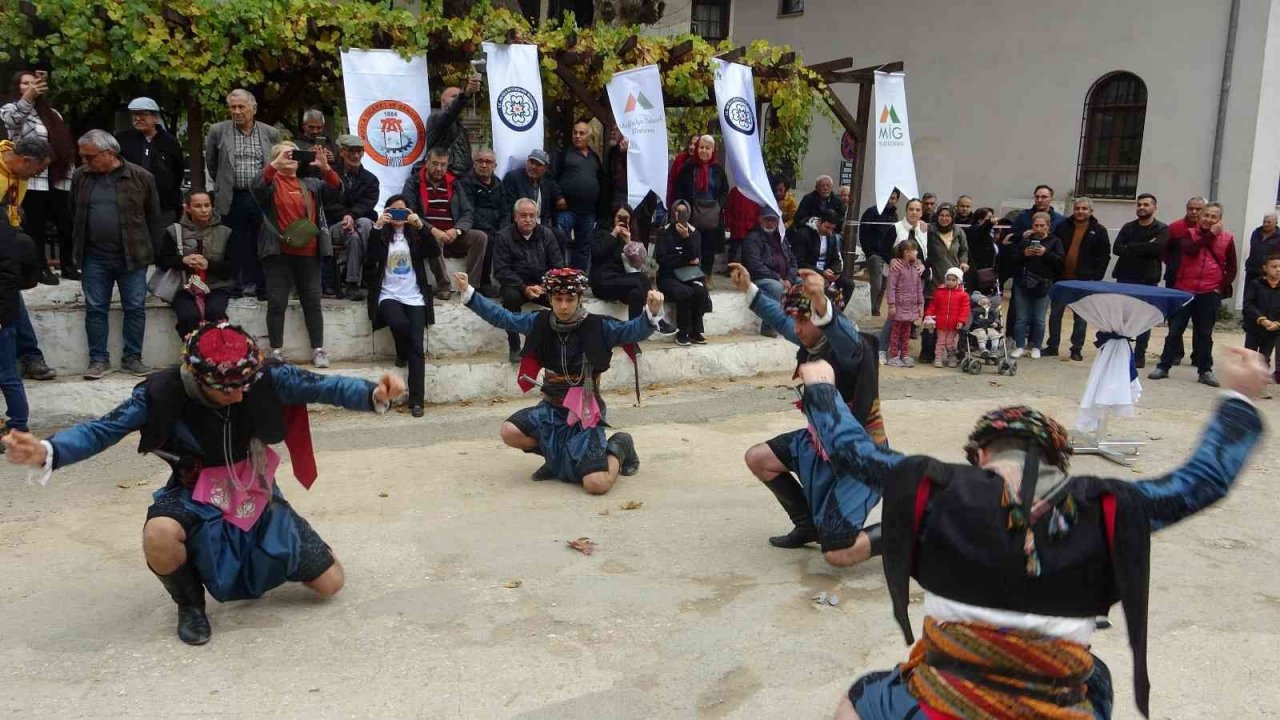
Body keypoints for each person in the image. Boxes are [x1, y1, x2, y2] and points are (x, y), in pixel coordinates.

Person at [809, 346, 1269, 720]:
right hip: (1056, 703)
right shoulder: (1108, 505)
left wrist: (823, 388)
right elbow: (1203, 481)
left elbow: (852, 452)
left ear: (980, 456)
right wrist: (1239, 397)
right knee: (1098, 677)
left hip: (946, 696)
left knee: (859, 700)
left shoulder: (937, 490)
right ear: (1055, 462)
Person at [3, 323, 408, 646]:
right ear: (198, 377)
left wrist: (373, 391)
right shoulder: (160, 393)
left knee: (331, 584)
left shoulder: (258, 376)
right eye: (226, 388)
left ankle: (267, 556)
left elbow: (322, 386)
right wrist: (48, 449)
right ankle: (190, 603)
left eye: (244, 386)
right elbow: (102, 430)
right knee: (159, 535)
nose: (238, 394)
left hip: (255, 490)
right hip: (194, 493)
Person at [728, 264, 887, 568]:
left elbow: (843, 335)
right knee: (758, 458)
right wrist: (749, 288)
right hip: (820, 445)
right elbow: (781, 319)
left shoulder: (850, 346)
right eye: (795, 320)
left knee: (837, 552)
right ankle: (807, 526)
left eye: (804, 320)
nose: (796, 328)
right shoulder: (810, 338)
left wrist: (821, 303)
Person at [454, 267, 662, 495]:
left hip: (585, 413)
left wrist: (650, 313)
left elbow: (632, 331)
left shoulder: (600, 327)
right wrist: (469, 293)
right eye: (558, 299)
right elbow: (503, 318)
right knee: (510, 431)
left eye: (570, 299)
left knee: (597, 484)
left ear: (580, 299)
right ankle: (555, 461)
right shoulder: (538, 322)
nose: (563, 306)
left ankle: (619, 445)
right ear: (550, 298)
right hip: (551, 409)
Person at [72, 130, 163, 380]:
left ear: (109, 153)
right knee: (95, 308)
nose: (85, 162)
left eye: (89, 157)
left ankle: (132, 358)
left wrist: (155, 254)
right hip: (94, 256)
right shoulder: (81, 177)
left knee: (134, 307)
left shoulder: (140, 177)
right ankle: (98, 359)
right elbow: (74, 214)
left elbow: (154, 217)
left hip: (132, 255)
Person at [252, 141, 340, 368]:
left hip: (309, 252)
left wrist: (325, 168)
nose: (291, 157)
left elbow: (337, 190)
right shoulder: (271, 182)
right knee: (277, 301)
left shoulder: (310, 183)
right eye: (286, 154)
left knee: (312, 301)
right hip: (277, 252)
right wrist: (274, 165)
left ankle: (318, 349)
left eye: (294, 154)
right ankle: (276, 350)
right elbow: (256, 187)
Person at [1150, 202, 1236, 387]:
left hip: (1210, 292)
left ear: (1219, 219)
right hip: (1185, 289)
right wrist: (1211, 235)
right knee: (1175, 331)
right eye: (1206, 215)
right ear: (1200, 216)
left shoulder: (1228, 239)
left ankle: (1205, 370)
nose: (1209, 219)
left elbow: (1232, 266)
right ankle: (1163, 366)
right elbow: (1190, 251)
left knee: (1204, 333)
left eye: (1214, 216)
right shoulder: (1189, 234)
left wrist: (1220, 286)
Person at [204, 89, 280, 299]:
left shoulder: (270, 133)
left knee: (262, 240)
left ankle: (262, 286)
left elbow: (275, 163)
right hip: (232, 195)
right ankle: (234, 286)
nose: (236, 111)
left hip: (260, 196)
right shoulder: (218, 131)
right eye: (232, 107)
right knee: (234, 242)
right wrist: (225, 183)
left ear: (253, 109)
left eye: (241, 107)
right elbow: (212, 163)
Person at [2, 70, 76, 283]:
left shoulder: (52, 113)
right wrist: (29, 97)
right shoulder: (11, 109)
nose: (29, 87)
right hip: (34, 177)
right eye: (24, 84)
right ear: (17, 87)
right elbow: (13, 120)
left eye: (33, 83)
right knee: (37, 225)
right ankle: (41, 268)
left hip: (58, 175)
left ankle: (68, 265)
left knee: (65, 222)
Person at [366, 195, 435, 418]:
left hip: (414, 296)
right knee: (398, 323)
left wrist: (421, 226)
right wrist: (377, 228)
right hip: (388, 294)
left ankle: (417, 402)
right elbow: (369, 259)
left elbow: (434, 251)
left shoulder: (414, 235)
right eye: (393, 211)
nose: (398, 215)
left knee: (417, 347)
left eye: (402, 211)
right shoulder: (383, 235)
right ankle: (401, 352)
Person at [0, 136, 58, 381]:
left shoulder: (19, 176)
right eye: (39, 169)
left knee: (12, 298)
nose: (38, 174)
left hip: (6, 242)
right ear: (25, 160)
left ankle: (29, 356)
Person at [402, 146, 488, 301]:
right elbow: (410, 212)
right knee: (434, 238)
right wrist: (433, 230)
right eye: (435, 164)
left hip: (453, 233)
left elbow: (468, 212)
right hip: (426, 234)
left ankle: (470, 286)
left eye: (443, 165)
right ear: (426, 163)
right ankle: (444, 285)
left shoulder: (454, 183)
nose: (439, 169)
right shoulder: (413, 182)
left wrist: (457, 230)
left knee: (480, 237)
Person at [492, 198, 565, 363]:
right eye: (523, 215)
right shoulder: (504, 237)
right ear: (515, 217)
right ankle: (515, 346)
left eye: (532, 215)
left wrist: (545, 286)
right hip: (517, 285)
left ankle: (563, 344)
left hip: (543, 285)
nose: (528, 220)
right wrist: (524, 288)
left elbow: (557, 266)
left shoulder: (547, 234)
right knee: (510, 299)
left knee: (568, 299)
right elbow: (501, 270)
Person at [154, 190, 232, 339]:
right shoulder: (173, 231)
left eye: (207, 205)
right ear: (187, 208)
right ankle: (193, 355)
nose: (203, 210)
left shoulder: (225, 232)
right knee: (188, 317)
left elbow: (233, 267)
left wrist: (209, 265)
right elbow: (162, 261)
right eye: (198, 206)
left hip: (216, 286)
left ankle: (214, 355)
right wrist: (183, 261)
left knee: (215, 314)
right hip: (183, 287)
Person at [0, 169, 42, 440]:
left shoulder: (8, 234)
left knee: (6, 374)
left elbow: (10, 277)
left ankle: (18, 424)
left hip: (3, 314)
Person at [1046, 197, 1111, 361]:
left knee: (1080, 317)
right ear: (1073, 210)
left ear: (1091, 211)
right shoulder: (1062, 227)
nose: (1080, 211)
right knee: (1055, 315)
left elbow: (1104, 257)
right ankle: (1053, 346)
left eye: (1084, 209)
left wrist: (1096, 279)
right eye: (1077, 208)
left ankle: (1076, 349)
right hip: (1061, 279)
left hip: (1083, 281)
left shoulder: (1099, 230)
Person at [1111, 193, 1168, 367]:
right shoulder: (1128, 227)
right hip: (1125, 277)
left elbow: (1158, 248)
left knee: (1144, 319)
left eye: (1146, 205)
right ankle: (1121, 352)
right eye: (1139, 204)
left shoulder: (1162, 229)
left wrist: (1131, 246)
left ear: (1154, 208)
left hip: (1147, 279)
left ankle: (1139, 355)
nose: (1142, 207)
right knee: (1123, 318)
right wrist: (1146, 246)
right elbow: (1117, 249)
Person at [321, 134, 379, 300]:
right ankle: (368, 272)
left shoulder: (371, 180)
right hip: (335, 224)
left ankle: (352, 282)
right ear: (342, 152)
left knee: (361, 230)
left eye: (359, 152)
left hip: (359, 223)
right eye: (351, 151)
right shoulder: (329, 174)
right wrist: (346, 216)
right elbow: (329, 203)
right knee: (363, 225)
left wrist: (352, 215)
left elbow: (368, 204)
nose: (355, 156)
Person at [116, 97, 186, 227]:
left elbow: (178, 171)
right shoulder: (123, 141)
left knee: (162, 244)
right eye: (135, 115)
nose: (138, 119)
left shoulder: (169, 142)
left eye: (143, 115)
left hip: (163, 207)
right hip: (130, 207)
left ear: (155, 118)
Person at [589, 204, 659, 324]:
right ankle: (657, 317)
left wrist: (629, 243)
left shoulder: (630, 235)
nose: (621, 220)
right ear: (613, 217)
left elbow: (638, 264)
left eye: (625, 218)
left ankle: (632, 336)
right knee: (640, 279)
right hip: (602, 280)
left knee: (636, 294)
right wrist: (614, 234)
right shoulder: (600, 232)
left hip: (621, 280)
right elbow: (597, 253)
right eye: (619, 217)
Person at [1009, 212, 1064, 359]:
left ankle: (1036, 347)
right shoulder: (1025, 241)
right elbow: (1012, 259)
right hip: (1023, 283)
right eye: (1036, 225)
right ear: (1032, 226)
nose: (1039, 229)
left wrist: (1045, 253)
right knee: (1021, 318)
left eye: (1042, 225)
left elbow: (1060, 262)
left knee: (1039, 318)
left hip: (1044, 285)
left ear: (1048, 226)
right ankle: (1020, 346)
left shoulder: (1055, 241)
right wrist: (1024, 254)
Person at [552, 121, 606, 271]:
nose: (577, 136)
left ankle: (577, 278)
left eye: (581, 133)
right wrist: (558, 196)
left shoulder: (594, 157)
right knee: (559, 241)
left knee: (583, 246)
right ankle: (559, 274)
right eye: (575, 132)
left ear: (589, 136)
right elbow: (551, 178)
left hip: (588, 211)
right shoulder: (564, 154)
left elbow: (601, 181)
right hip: (566, 209)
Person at [655, 200, 710, 346]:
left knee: (699, 290)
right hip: (668, 276)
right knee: (684, 292)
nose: (680, 214)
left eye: (683, 211)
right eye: (677, 211)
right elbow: (663, 260)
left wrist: (686, 239)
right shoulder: (664, 232)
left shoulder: (694, 233)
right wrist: (684, 259)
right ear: (673, 213)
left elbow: (695, 258)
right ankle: (682, 332)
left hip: (688, 274)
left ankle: (695, 331)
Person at [458, 147, 510, 296]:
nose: (484, 165)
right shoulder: (466, 183)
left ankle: (511, 282)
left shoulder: (498, 183)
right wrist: (493, 230)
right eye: (480, 161)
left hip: (497, 227)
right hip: (476, 227)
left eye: (488, 162)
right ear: (474, 163)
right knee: (489, 239)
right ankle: (484, 282)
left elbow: (505, 210)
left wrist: (504, 228)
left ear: (495, 166)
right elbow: (469, 211)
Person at [673, 135, 728, 274]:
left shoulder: (718, 170)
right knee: (692, 244)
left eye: (708, 148)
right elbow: (679, 189)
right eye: (701, 147)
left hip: (711, 215)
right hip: (692, 213)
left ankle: (707, 276)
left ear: (713, 150)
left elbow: (724, 191)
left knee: (709, 247)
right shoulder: (688, 168)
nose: (704, 151)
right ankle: (691, 275)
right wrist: (684, 207)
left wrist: (718, 207)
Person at [742, 206, 799, 337]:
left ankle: (797, 324)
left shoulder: (782, 237)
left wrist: (790, 279)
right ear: (760, 219)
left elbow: (793, 261)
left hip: (784, 278)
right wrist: (777, 277)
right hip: (762, 277)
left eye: (773, 220)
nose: (770, 223)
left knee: (805, 285)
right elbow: (754, 264)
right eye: (767, 219)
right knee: (776, 288)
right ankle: (769, 326)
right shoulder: (753, 238)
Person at [792, 210, 855, 304]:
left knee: (848, 284)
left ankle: (836, 314)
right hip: (808, 272)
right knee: (822, 285)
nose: (829, 231)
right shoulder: (804, 234)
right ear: (820, 221)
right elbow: (799, 261)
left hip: (826, 273)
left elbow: (836, 258)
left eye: (832, 229)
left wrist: (833, 271)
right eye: (827, 227)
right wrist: (821, 273)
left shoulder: (831, 236)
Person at [423, 76, 481, 177]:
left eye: (459, 96)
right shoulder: (436, 118)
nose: (458, 98)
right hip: (444, 177)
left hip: (461, 179)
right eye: (454, 96)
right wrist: (466, 93)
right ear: (443, 100)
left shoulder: (460, 126)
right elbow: (451, 112)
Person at [1242, 253, 1280, 397]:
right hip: (1254, 327)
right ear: (1265, 268)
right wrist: (1262, 319)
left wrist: (1276, 324)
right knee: (1249, 356)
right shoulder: (1256, 284)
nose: (1278, 270)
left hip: (1273, 330)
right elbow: (1248, 304)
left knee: (1264, 358)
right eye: (1274, 266)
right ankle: (1245, 385)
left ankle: (1260, 386)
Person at [859, 189, 900, 317]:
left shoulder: (894, 215)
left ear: (897, 199)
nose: (890, 201)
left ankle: (875, 308)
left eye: (893, 198)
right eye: (888, 197)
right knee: (876, 284)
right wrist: (869, 252)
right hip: (875, 254)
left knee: (884, 284)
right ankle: (870, 307)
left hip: (887, 255)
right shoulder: (872, 211)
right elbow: (863, 233)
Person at [885, 239, 925, 368]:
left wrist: (920, 304)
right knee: (895, 332)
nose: (917, 252)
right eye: (915, 250)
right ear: (907, 252)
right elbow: (891, 287)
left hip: (911, 306)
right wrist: (891, 305)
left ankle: (904, 354)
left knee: (907, 332)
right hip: (899, 306)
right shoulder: (896, 268)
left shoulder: (915, 268)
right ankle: (893, 355)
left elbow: (919, 288)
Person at [501, 149, 564, 229]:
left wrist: (559, 197)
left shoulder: (547, 182)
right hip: (519, 226)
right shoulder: (513, 178)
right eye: (531, 162)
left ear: (545, 169)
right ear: (527, 162)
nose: (533, 167)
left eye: (538, 164)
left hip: (541, 226)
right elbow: (507, 208)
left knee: (560, 236)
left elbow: (547, 211)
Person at [923, 267, 971, 368]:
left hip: (953, 324)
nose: (950, 282)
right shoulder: (939, 292)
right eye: (948, 279)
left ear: (958, 281)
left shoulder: (963, 295)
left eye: (953, 280)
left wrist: (961, 321)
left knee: (950, 343)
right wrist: (928, 315)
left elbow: (964, 310)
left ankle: (952, 357)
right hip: (941, 323)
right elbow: (933, 306)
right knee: (940, 342)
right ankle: (938, 358)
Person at [1163, 196, 1206, 289]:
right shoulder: (1174, 227)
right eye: (1191, 208)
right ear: (1186, 209)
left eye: (1198, 209)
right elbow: (1164, 250)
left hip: (1200, 279)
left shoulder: (1207, 229)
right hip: (1175, 277)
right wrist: (1174, 264)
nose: (1194, 212)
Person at [963, 207, 998, 295]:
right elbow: (982, 230)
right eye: (989, 218)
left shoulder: (989, 233)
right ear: (979, 220)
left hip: (987, 273)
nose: (992, 220)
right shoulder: (973, 230)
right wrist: (989, 223)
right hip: (976, 273)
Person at [724, 186, 760, 266]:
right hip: (737, 227)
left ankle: (743, 269)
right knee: (734, 250)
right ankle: (731, 268)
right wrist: (728, 223)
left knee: (746, 251)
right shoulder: (736, 191)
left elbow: (758, 211)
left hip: (748, 227)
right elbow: (728, 209)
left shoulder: (755, 192)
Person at [1243, 212, 1280, 286]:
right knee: (1248, 294)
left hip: (1267, 273)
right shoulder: (1256, 233)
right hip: (1252, 270)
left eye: (1268, 222)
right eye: (1264, 222)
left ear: (1275, 223)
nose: (1265, 224)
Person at [665, 134, 699, 209]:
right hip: (678, 203)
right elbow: (671, 180)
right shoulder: (680, 159)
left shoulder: (703, 163)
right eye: (690, 144)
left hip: (697, 207)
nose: (691, 147)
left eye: (695, 145)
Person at [968, 291, 1003, 356]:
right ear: (979, 303)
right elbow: (970, 319)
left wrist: (996, 322)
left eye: (987, 303)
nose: (986, 304)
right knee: (982, 336)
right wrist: (967, 327)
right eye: (983, 303)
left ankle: (994, 350)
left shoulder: (992, 311)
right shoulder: (975, 311)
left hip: (990, 328)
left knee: (995, 336)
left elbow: (996, 318)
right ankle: (983, 350)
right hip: (978, 328)